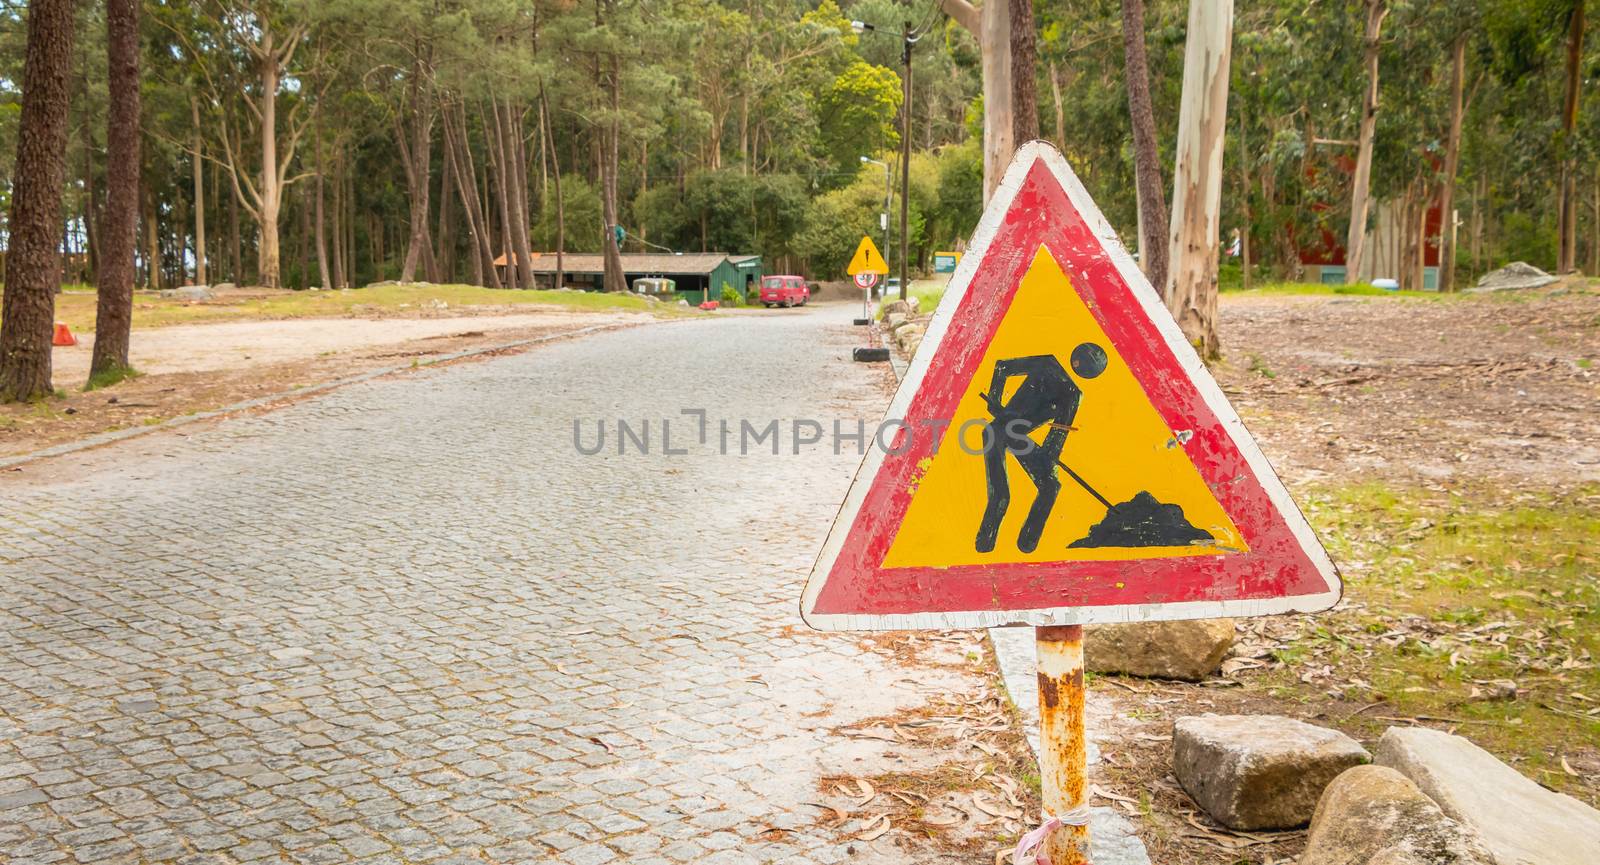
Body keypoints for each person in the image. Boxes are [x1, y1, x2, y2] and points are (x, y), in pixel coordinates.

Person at [975, 343, 1106, 553]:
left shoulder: (1072, 395)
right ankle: (985, 545)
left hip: (1016, 436)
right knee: (1001, 496)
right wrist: (994, 399)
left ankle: (1027, 543)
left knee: (1050, 486)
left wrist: (1049, 456)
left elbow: (1057, 436)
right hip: (998, 431)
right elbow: (1001, 367)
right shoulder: (1047, 364)